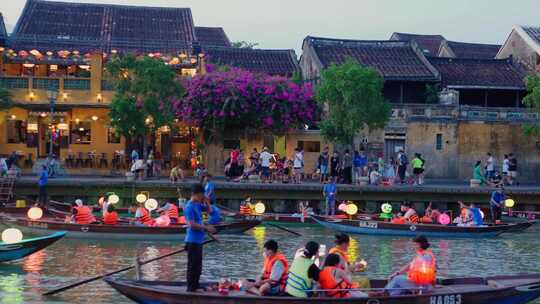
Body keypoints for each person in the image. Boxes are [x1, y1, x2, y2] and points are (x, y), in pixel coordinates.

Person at [184, 184, 216, 292]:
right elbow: (192, 225)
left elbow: (210, 211)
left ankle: (196, 285)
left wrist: (207, 201)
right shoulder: (189, 207)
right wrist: (206, 227)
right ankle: (190, 288)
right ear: (196, 194)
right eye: (202, 195)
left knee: (198, 266)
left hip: (198, 240)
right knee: (192, 266)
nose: (203, 197)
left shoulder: (197, 204)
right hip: (192, 240)